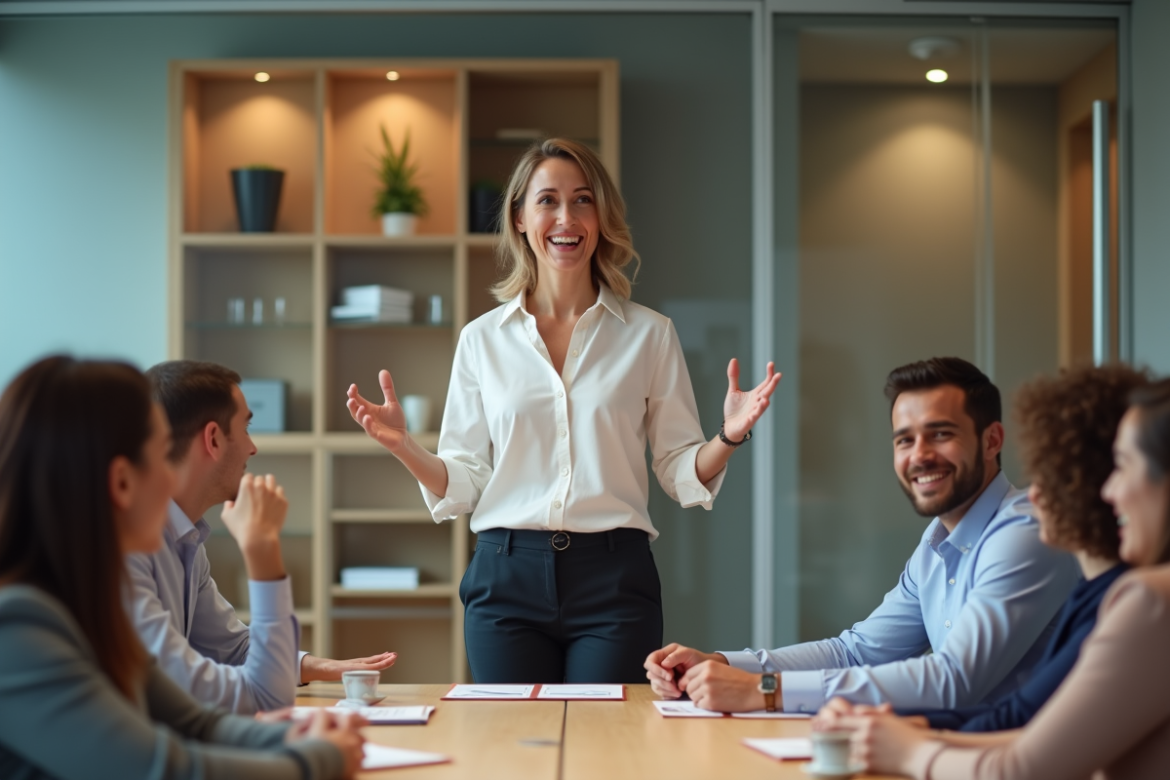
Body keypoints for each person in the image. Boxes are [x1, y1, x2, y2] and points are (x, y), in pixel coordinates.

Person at [346, 138, 783, 683]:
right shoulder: (481, 340)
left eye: (582, 200)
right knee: (512, 752)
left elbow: (677, 469)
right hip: (505, 577)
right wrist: (404, 448)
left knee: (606, 753)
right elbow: (466, 481)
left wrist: (730, 435)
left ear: (600, 218)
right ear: (521, 218)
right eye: (547, 200)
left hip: (615, 579)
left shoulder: (649, 334)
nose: (565, 217)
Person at [645, 357, 1079, 713]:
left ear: (992, 441)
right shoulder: (936, 544)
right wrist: (722, 664)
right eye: (904, 440)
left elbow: (954, 679)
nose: (920, 456)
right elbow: (855, 652)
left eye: (941, 434)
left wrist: (764, 690)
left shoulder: (1026, 531)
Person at [0, 356, 363, 780]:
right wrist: (318, 759)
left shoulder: (88, 604)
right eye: (159, 454)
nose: (171, 476)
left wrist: (298, 740)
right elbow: (164, 769)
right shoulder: (18, 627)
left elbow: (196, 724)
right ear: (121, 482)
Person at [846, 376, 1170, 780]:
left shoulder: (1148, 599)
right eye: (904, 440)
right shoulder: (1115, 597)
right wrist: (907, 732)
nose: (1110, 491)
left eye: (1122, 466)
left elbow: (1023, 759)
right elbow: (1029, 731)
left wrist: (909, 749)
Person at [128, 360, 395, 714]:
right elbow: (264, 694)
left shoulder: (185, 539)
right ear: (212, 439)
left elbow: (232, 647)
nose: (253, 448)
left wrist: (321, 667)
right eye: (246, 428)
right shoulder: (129, 548)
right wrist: (261, 548)